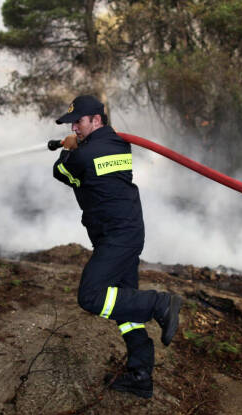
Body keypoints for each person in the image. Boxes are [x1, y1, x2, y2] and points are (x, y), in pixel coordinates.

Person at [51, 94, 183, 399]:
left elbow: (62, 173)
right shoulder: (119, 144)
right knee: (126, 308)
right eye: (72, 123)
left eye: (79, 122)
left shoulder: (83, 156)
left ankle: (159, 304)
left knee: (91, 296)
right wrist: (77, 144)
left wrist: (67, 150)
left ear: (96, 120)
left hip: (116, 237)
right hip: (128, 231)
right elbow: (92, 158)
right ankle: (140, 375)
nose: (75, 127)